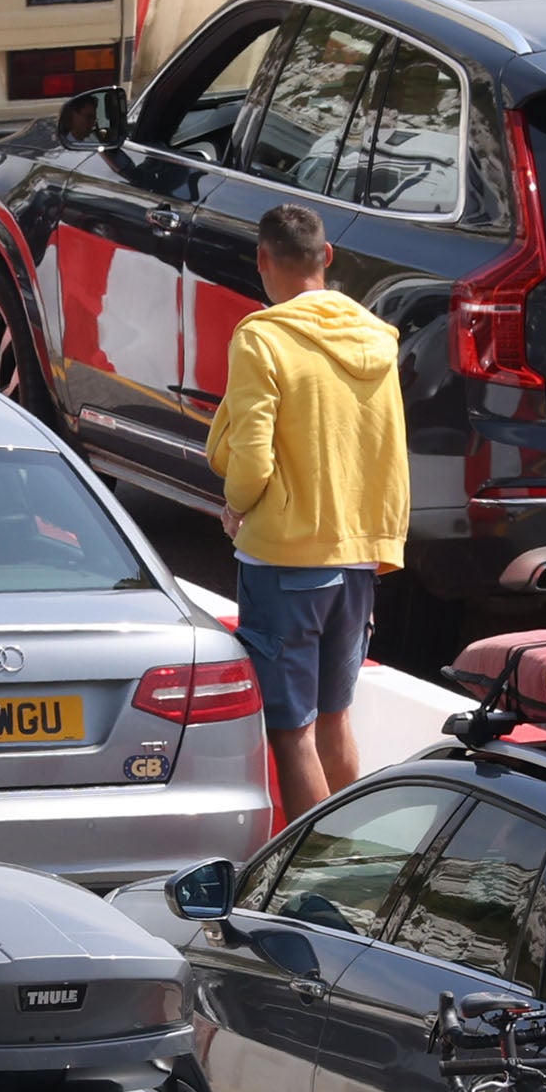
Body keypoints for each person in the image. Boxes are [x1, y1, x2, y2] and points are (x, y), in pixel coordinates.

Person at [210, 204, 407, 822]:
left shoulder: (262, 337)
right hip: (358, 559)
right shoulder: (377, 337)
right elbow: (387, 449)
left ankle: (310, 875)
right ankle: (351, 863)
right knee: (335, 718)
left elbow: (251, 456)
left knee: (290, 730)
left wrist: (236, 508)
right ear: (327, 257)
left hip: (284, 557)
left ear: (263, 261)